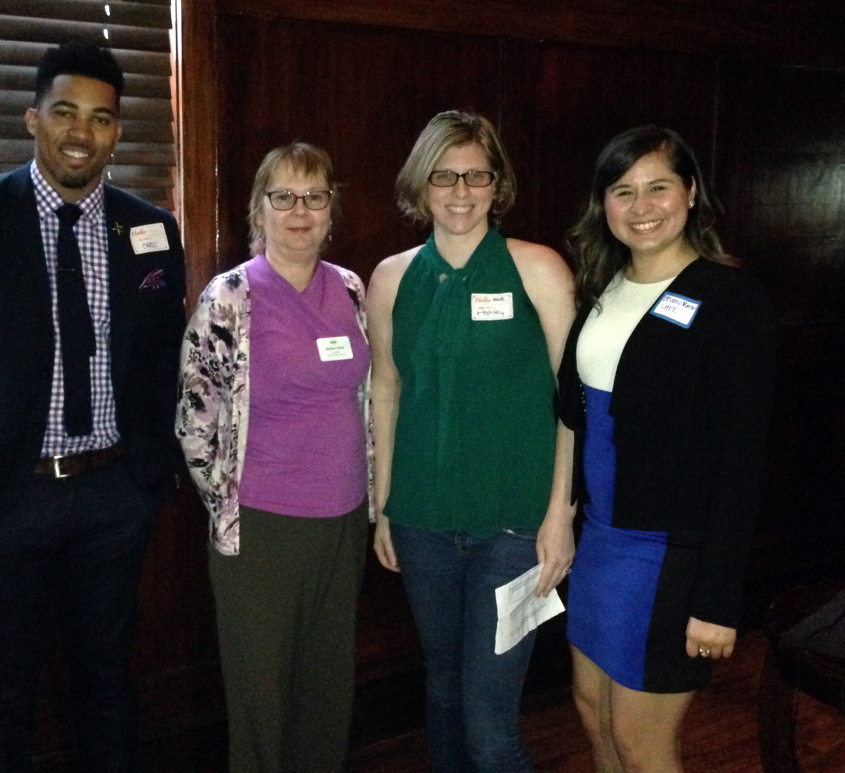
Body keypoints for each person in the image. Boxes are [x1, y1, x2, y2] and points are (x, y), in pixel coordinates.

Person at [0, 40, 186, 771]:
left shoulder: (150, 229)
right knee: (3, 693)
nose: (82, 132)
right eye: (65, 113)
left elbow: (164, 357)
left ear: (118, 132)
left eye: (101, 118)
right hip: (5, 498)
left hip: (115, 496)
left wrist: (153, 475)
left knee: (109, 684)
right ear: (32, 119)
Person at [558, 125, 776, 772]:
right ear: (604, 205)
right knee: (591, 712)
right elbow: (574, 415)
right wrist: (559, 523)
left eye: (658, 187)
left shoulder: (731, 299)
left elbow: (743, 461)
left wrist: (715, 599)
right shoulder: (601, 289)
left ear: (690, 192)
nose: (642, 206)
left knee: (640, 740)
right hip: (600, 542)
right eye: (623, 191)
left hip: (668, 552)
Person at [367, 110, 577, 772]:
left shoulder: (537, 268)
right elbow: (386, 391)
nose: (460, 192)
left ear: (497, 182)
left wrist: (560, 513)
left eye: (476, 175)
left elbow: (573, 403)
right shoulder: (391, 277)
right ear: (420, 184)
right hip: (422, 522)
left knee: (489, 717)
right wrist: (383, 505)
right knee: (443, 690)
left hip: (514, 527)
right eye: (443, 176)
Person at [176, 142, 372, 772]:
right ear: (258, 209)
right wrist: (229, 506)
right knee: (262, 701)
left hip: (342, 522)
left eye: (314, 196)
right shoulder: (229, 297)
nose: (299, 210)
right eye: (282, 196)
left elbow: (367, 399)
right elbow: (195, 421)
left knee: (326, 691)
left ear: (331, 209)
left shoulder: (349, 287)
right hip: (261, 530)